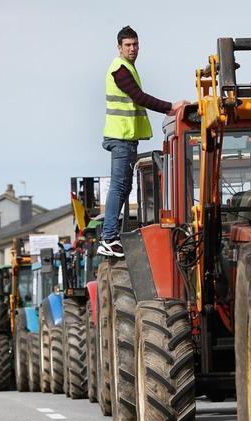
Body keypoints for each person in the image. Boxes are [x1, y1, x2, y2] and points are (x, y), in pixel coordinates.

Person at [97, 25, 187, 258]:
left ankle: (110, 236)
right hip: (121, 137)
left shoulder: (128, 68)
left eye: (135, 44)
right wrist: (170, 107)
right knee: (119, 186)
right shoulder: (119, 69)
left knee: (124, 187)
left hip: (126, 138)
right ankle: (108, 237)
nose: (132, 48)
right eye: (128, 45)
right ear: (119, 47)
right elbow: (138, 97)